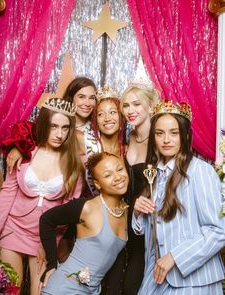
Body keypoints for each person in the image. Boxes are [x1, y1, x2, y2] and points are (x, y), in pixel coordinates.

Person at [0, 98, 83, 294]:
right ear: (43, 124)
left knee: (39, 291)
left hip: (44, 237)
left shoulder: (74, 165)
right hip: (13, 230)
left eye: (65, 128)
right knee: (9, 290)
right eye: (53, 126)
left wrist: (49, 245)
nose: (59, 134)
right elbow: (7, 193)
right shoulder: (25, 152)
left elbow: (67, 213)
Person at [133, 99, 225, 294]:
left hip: (194, 281)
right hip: (156, 277)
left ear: (185, 135)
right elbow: (153, 232)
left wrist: (174, 257)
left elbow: (218, 230)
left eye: (174, 133)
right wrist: (138, 213)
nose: (166, 140)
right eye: (160, 133)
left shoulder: (201, 171)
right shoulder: (154, 174)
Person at [38, 152, 129, 294]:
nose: (118, 177)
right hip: (62, 289)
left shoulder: (127, 211)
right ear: (98, 184)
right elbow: (46, 220)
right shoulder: (86, 207)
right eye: (107, 175)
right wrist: (51, 265)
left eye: (120, 169)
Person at [101, 83, 159, 294]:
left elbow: (166, 176)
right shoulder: (130, 136)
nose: (130, 110)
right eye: (126, 105)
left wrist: (140, 203)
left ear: (150, 106)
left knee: (134, 279)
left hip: (148, 214)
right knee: (113, 275)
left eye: (137, 104)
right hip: (126, 212)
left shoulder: (160, 136)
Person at [3, 76, 97, 173]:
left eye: (92, 98)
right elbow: (27, 131)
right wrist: (19, 149)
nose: (87, 103)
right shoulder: (53, 122)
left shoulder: (97, 129)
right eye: (81, 97)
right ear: (71, 98)